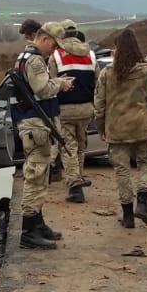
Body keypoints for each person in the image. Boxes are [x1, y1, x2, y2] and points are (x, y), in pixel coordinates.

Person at [12, 23, 75, 249]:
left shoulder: (26, 57)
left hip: (37, 124)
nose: (54, 50)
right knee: (36, 177)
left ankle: (37, 224)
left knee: (41, 175)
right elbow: (42, 89)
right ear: (45, 39)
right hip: (35, 125)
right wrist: (60, 83)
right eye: (55, 45)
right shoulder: (35, 60)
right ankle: (29, 232)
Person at [93, 28, 147, 227]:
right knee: (146, 165)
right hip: (142, 127)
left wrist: (101, 128)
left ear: (116, 50)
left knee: (122, 171)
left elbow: (99, 106)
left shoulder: (107, 74)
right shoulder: (145, 71)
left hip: (116, 130)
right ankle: (143, 203)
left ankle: (127, 216)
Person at [50, 21, 99, 203]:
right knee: (80, 146)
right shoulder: (91, 55)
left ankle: (75, 187)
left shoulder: (56, 55)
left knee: (68, 147)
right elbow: (98, 82)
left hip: (65, 110)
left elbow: (51, 84)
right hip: (86, 109)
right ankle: (78, 176)